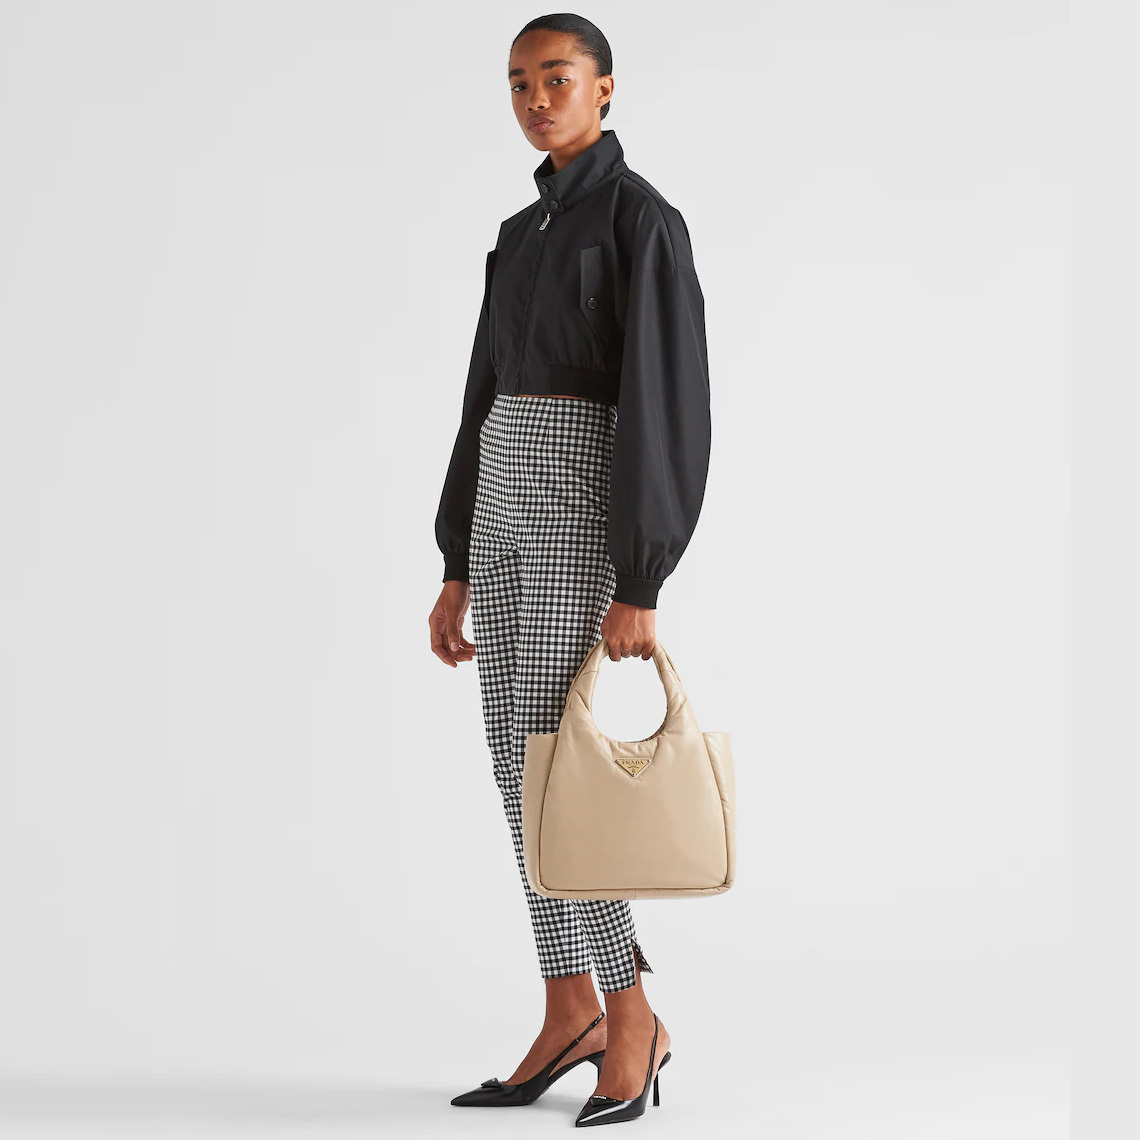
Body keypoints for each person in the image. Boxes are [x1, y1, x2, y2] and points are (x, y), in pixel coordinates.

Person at [428, 13, 711, 1127]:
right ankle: (569, 1005)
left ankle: (631, 1012)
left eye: (556, 78)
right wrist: (456, 557)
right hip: (504, 498)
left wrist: (641, 576)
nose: (536, 99)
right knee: (518, 767)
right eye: (518, 84)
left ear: (605, 88)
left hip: (579, 508)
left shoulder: (642, 220)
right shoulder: (519, 233)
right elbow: (482, 396)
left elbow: (667, 401)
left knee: (562, 774)